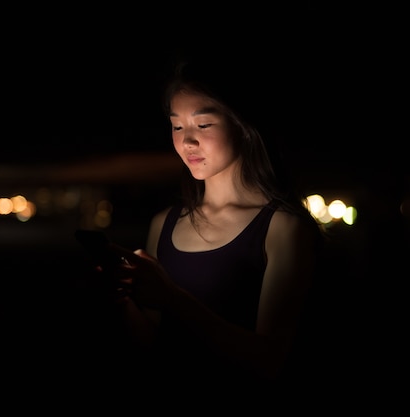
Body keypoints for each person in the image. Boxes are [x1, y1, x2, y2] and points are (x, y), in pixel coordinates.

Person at [89, 53, 326, 398]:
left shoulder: (282, 228)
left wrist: (172, 299)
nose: (187, 141)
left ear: (243, 126)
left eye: (203, 125)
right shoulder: (165, 223)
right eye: (176, 125)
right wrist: (120, 297)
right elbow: (153, 342)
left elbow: (269, 361)